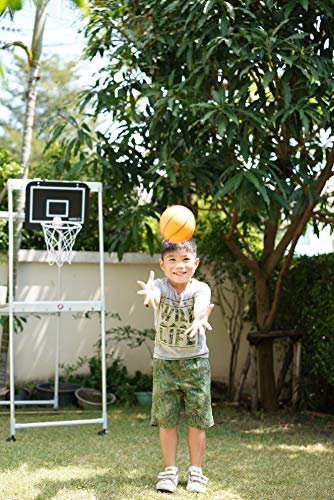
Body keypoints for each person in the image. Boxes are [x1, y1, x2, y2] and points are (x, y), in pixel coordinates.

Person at [137, 238, 214, 493]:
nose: (179, 266)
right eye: (172, 260)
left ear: (196, 263)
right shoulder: (159, 285)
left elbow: (202, 307)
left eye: (185, 260)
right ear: (162, 264)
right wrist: (149, 296)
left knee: (197, 420)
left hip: (196, 364)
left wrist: (201, 317)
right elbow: (153, 297)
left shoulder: (201, 289)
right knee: (167, 420)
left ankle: (196, 472)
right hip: (165, 364)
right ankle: (169, 471)